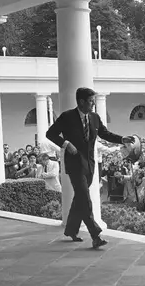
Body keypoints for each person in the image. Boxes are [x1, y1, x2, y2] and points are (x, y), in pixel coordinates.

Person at [46, 87, 132, 249]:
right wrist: (66, 144)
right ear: (81, 102)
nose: (93, 104)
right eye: (91, 101)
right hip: (74, 163)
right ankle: (95, 235)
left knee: (80, 198)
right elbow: (50, 134)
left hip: (90, 165)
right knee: (85, 198)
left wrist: (122, 139)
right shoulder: (67, 117)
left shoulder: (94, 117)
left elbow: (105, 134)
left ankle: (71, 229)